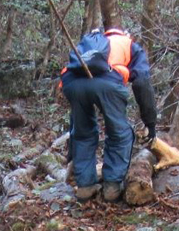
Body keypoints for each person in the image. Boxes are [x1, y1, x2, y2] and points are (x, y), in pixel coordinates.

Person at [59, 27, 158, 203]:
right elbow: (142, 83)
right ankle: (112, 187)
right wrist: (150, 121)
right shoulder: (129, 45)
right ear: (125, 35)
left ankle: (85, 187)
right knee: (120, 133)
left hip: (71, 83)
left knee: (83, 133)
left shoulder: (89, 43)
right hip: (108, 82)